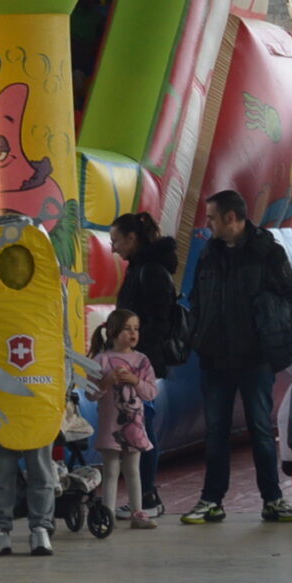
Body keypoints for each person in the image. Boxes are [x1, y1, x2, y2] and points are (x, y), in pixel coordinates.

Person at [180, 189, 292, 524]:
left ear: (231, 218)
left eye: (211, 218)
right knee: (216, 431)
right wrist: (196, 333)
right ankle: (211, 500)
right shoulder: (210, 254)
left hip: (254, 360)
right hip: (215, 359)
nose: (207, 225)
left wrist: (273, 325)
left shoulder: (267, 253)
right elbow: (197, 299)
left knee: (261, 429)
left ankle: (273, 500)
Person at [109, 211, 182, 518]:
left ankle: (148, 495)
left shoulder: (150, 272)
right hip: (139, 364)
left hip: (142, 367)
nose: (113, 248)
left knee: (143, 428)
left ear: (132, 238)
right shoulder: (141, 269)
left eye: (116, 241)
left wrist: (136, 361)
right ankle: (145, 495)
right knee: (138, 427)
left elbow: (156, 323)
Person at [90, 307, 158, 528]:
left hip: (135, 424)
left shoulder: (142, 360)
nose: (133, 334)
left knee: (133, 469)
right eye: (127, 329)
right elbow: (91, 394)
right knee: (110, 469)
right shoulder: (101, 360)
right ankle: (107, 514)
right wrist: (107, 381)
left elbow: (150, 393)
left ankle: (137, 512)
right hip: (110, 425)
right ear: (113, 331)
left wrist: (135, 381)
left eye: (136, 329)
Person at [0, 407, 61, 556]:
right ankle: (0, 529)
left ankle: (40, 529)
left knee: (40, 470)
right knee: (0, 472)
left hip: (39, 404)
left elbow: (64, 383)